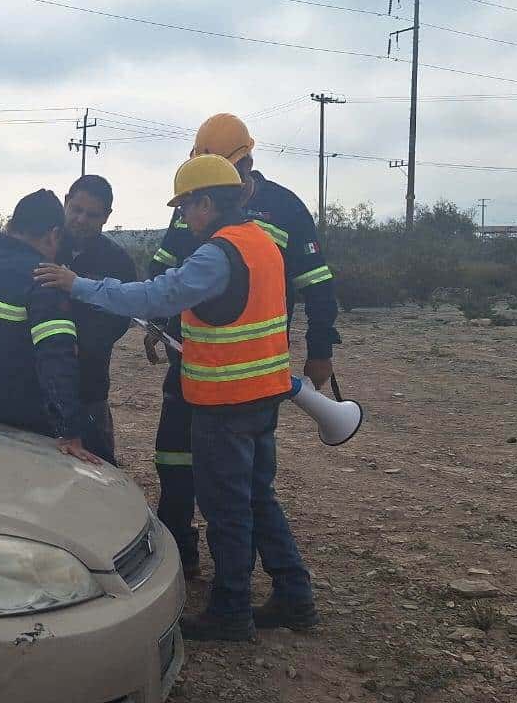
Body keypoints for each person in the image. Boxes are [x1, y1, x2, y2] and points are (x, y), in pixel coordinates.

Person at [36, 155, 317, 641]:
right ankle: (295, 595)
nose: (183, 216)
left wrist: (76, 285)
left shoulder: (217, 253)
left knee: (227, 509)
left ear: (207, 202)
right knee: (258, 497)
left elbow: (153, 297)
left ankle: (231, 611)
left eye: (186, 205)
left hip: (224, 400)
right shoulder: (262, 244)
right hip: (262, 397)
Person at [148, 113, 342, 579]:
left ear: (247, 163)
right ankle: (182, 553)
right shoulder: (194, 206)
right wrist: (155, 324)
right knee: (174, 454)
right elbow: (164, 272)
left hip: (248, 367)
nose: (195, 206)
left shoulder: (286, 209)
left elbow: (317, 284)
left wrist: (319, 349)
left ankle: (235, 598)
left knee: (239, 488)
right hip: (191, 355)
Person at [0, 189, 103, 466]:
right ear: (53, 234)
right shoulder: (44, 277)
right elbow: (57, 359)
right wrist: (69, 431)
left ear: (12, 225)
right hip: (28, 418)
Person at [60, 174, 138, 466]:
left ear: (106, 217)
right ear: (65, 202)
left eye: (92, 215)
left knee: (100, 466)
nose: (81, 219)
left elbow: (120, 318)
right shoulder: (44, 246)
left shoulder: (117, 262)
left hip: (89, 385)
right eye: (76, 209)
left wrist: (82, 345)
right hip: (37, 382)